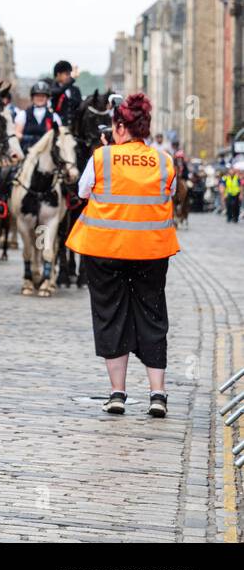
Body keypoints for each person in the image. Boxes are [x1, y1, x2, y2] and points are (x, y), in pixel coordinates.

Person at [66, 93, 178, 417]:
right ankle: (158, 393)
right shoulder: (164, 160)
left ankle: (118, 393)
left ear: (118, 126)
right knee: (153, 315)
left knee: (110, 314)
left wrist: (106, 151)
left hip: (105, 249)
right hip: (151, 250)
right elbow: (168, 193)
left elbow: (83, 191)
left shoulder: (101, 158)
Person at [15, 80, 57, 151]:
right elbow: (17, 134)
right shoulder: (23, 114)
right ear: (32, 97)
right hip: (28, 150)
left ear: (47, 98)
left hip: (47, 152)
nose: (40, 98)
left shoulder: (54, 116)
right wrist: (29, 138)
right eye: (37, 96)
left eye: (43, 96)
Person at [50, 59, 82, 127]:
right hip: (58, 127)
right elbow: (59, 91)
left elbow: (80, 106)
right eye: (67, 74)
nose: (69, 77)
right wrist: (72, 79)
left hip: (74, 127)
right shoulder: (52, 87)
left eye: (69, 74)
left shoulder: (75, 90)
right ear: (58, 75)